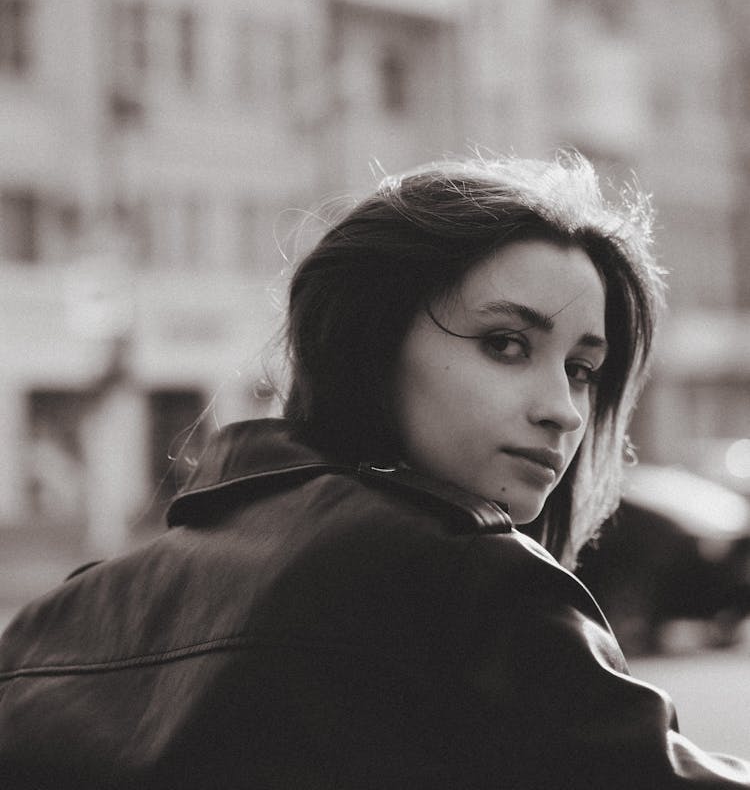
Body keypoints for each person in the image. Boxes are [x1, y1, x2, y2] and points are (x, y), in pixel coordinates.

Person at [0, 152, 748, 789]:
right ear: (368, 342)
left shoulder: (61, 620)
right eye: (506, 344)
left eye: (584, 369)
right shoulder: (468, 582)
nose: (565, 410)